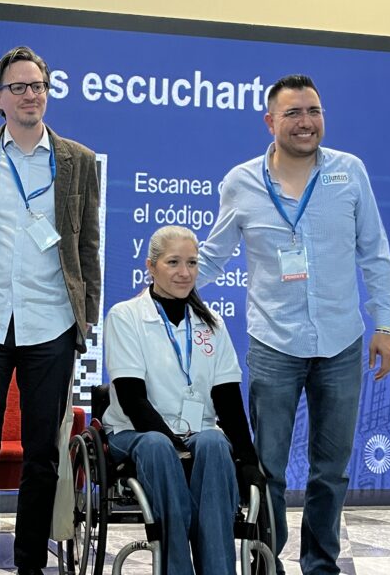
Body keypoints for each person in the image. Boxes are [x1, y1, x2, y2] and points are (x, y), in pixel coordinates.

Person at [197, 74, 390, 575]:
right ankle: (268, 562)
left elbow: (375, 252)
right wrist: (160, 287)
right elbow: (213, 255)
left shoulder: (350, 172)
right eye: (293, 114)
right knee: (267, 469)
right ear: (270, 122)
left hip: (342, 343)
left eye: (314, 111)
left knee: (331, 471)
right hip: (274, 345)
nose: (306, 122)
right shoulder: (240, 181)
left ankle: (320, 564)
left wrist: (386, 325)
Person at [0, 45, 101, 575]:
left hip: (52, 323)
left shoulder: (77, 160)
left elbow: (88, 244)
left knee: (42, 459)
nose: (31, 95)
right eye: (19, 87)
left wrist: (88, 314)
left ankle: (32, 566)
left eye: (38, 86)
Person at [104, 225, 263, 575]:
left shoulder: (212, 324)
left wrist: (249, 459)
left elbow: (227, 399)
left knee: (214, 442)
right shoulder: (125, 316)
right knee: (158, 447)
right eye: (173, 262)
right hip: (136, 433)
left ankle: (219, 569)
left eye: (192, 263)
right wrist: (175, 446)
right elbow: (132, 398)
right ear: (151, 266)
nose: (184, 272)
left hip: (195, 433)